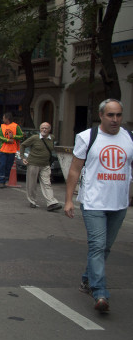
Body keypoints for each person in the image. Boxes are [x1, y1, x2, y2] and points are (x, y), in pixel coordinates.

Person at [64, 99, 133, 313]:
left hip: (119, 203)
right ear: (101, 116)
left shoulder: (129, 138)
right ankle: (100, 292)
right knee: (97, 245)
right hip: (94, 202)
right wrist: (68, 200)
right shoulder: (87, 137)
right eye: (111, 115)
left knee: (106, 247)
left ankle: (87, 279)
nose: (115, 119)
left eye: (119, 115)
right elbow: (75, 170)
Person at [20, 122, 61, 211]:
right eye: (42, 128)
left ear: (49, 130)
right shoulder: (35, 138)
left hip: (45, 165)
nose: (44, 130)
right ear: (40, 129)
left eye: (46, 128)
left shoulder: (52, 138)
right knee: (32, 184)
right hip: (33, 164)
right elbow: (23, 145)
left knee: (47, 183)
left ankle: (51, 203)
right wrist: (22, 157)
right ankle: (32, 201)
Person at [0, 112, 23, 188]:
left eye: (4, 117)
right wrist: (7, 140)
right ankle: (1, 181)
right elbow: (0, 137)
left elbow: (21, 136)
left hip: (12, 150)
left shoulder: (16, 126)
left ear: (7, 118)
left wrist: (14, 136)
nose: (3, 119)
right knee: (2, 165)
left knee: (8, 166)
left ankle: (5, 180)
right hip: (3, 150)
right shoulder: (2, 127)